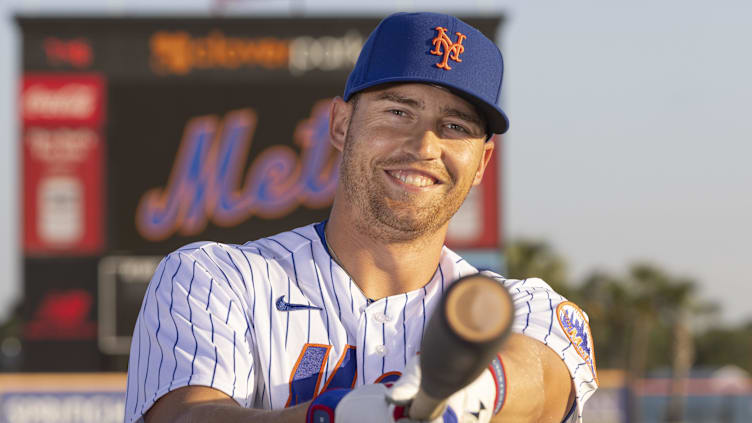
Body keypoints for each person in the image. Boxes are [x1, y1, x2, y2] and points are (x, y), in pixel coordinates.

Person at [124, 11, 598, 423]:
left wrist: (476, 391)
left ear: (482, 164)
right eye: (398, 111)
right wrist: (330, 415)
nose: (424, 146)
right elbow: (185, 415)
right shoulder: (214, 279)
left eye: (455, 127)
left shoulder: (516, 305)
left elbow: (541, 378)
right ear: (341, 124)